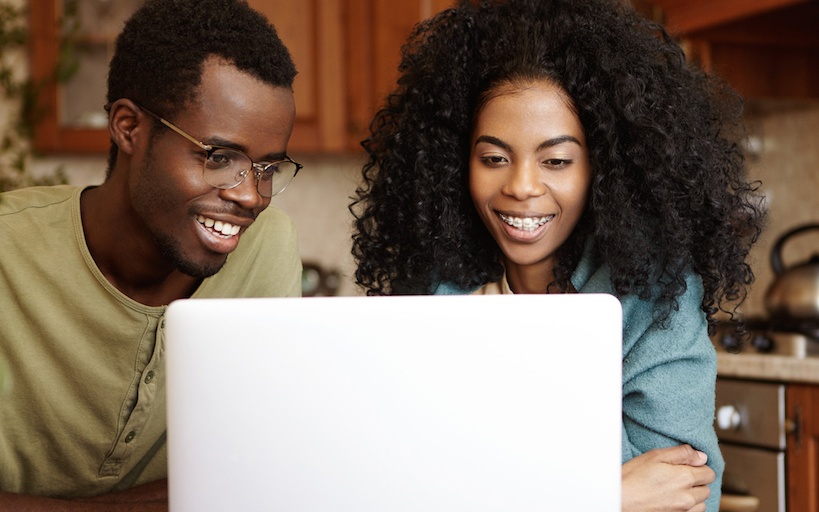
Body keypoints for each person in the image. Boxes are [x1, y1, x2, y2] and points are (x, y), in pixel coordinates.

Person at [350, 0, 765, 510]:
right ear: (458, 164)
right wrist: (598, 496)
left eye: (557, 160)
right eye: (494, 158)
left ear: (603, 167)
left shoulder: (653, 296)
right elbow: (402, 488)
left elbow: (687, 493)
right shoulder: (432, 291)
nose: (522, 186)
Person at [0, 0, 302, 509]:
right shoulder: (9, 251)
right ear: (129, 127)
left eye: (267, 168)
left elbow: (258, 467)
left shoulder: (267, 247)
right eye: (219, 157)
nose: (251, 196)